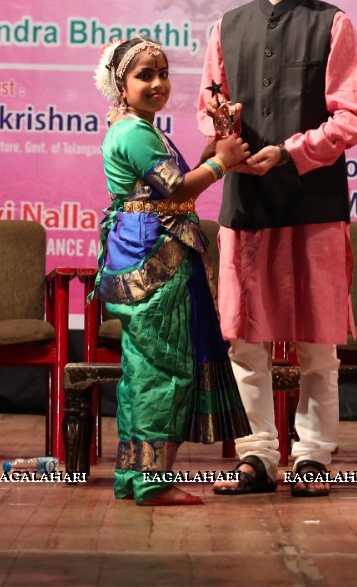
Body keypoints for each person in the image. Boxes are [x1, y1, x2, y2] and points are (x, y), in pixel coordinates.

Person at [198, 0, 357, 497]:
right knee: (246, 340)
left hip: (313, 201)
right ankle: (257, 456)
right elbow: (207, 105)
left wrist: (291, 152)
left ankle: (315, 455)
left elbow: (352, 118)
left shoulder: (333, 24)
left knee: (317, 342)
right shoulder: (226, 26)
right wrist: (225, 138)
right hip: (246, 201)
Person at [93, 36, 252, 506]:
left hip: (140, 253)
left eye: (162, 74)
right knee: (164, 371)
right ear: (120, 85)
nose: (158, 83)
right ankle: (150, 480)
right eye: (145, 75)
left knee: (146, 369)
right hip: (153, 261)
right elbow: (175, 195)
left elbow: (170, 182)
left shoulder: (134, 127)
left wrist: (213, 149)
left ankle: (134, 473)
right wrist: (224, 162)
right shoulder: (136, 132)